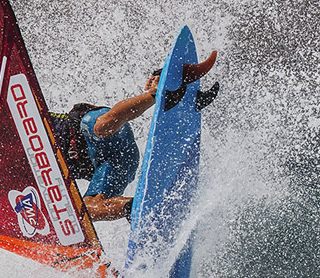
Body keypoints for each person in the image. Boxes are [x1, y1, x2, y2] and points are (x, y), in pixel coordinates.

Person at [51, 52, 217, 221]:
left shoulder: (29, 125)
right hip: (115, 163)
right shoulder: (29, 177)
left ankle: (157, 92)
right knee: (84, 211)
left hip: (94, 129)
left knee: (101, 128)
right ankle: (143, 209)